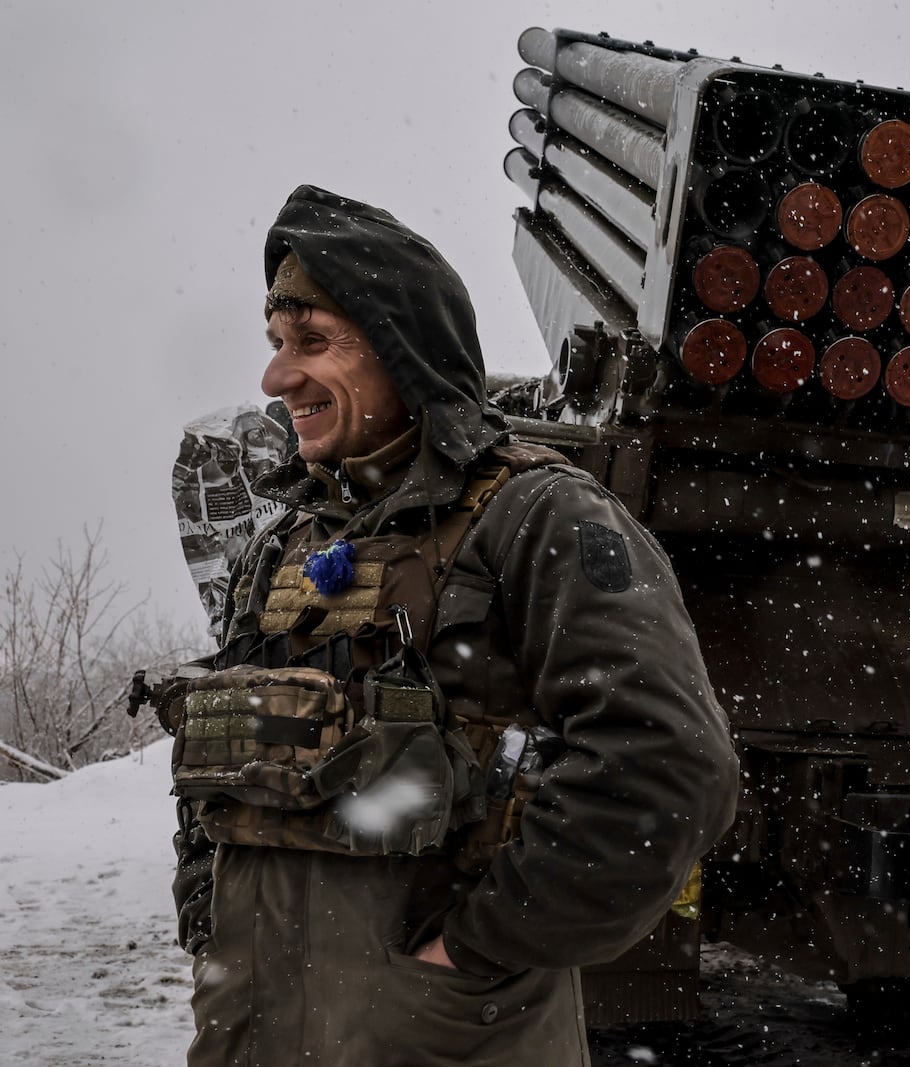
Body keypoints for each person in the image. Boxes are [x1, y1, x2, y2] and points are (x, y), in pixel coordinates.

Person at [164, 185, 740, 1066]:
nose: (278, 378)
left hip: (442, 1034)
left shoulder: (536, 517)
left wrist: (475, 946)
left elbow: (667, 765)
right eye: (278, 345)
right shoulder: (279, 547)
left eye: (314, 343)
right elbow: (217, 776)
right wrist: (211, 926)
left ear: (403, 351)